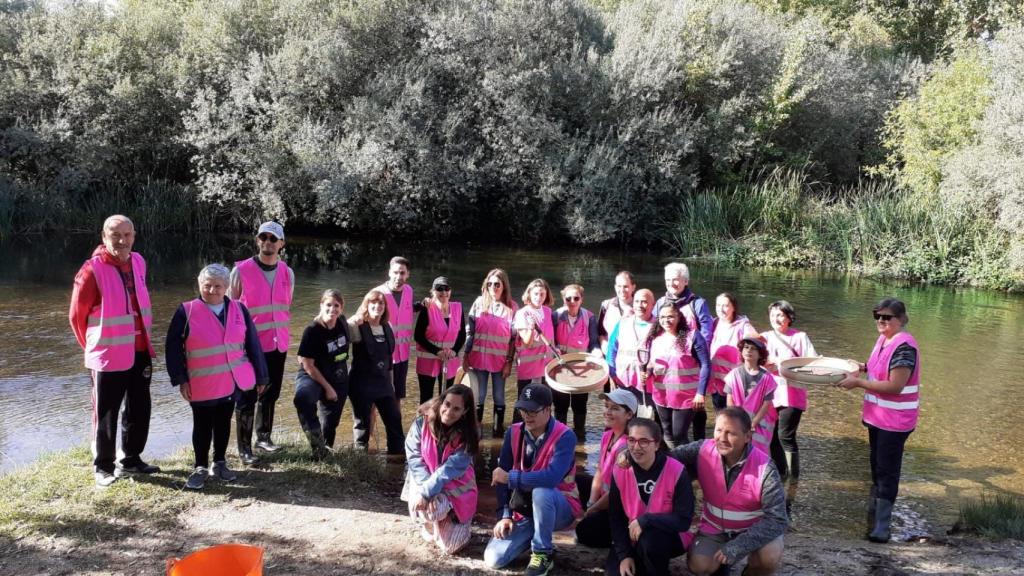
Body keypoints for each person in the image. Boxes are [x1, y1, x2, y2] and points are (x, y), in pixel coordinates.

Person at [69, 215, 160, 487]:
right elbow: (76, 316)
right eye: (115, 235)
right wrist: (93, 348)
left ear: (134, 236)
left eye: (127, 235)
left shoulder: (139, 261)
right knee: (106, 412)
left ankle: (131, 459)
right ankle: (103, 467)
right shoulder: (91, 270)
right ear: (103, 237)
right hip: (108, 355)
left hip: (140, 350)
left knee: (139, 408)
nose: (122, 240)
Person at [165, 264, 268, 490]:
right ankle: (200, 467)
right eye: (207, 285)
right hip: (201, 382)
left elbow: (253, 344)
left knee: (223, 422)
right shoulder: (186, 311)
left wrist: (261, 376)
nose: (212, 290)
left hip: (231, 381)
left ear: (227, 287)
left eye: (218, 286)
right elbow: (172, 348)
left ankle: (219, 462)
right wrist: (180, 379)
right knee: (202, 424)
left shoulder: (239, 310)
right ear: (200, 285)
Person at [837, 298, 920, 543]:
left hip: (895, 421)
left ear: (901, 319)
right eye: (878, 316)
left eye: (887, 317)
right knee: (876, 464)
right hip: (878, 417)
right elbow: (880, 368)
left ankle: (882, 527)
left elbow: (895, 386)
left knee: (887, 470)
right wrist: (862, 367)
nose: (881, 321)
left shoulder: (904, 347)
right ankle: (874, 513)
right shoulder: (884, 339)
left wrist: (858, 382)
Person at [667, 408, 787, 576]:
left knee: (769, 557)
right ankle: (721, 564)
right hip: (714, 527)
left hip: (752, 530)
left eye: (731, 433)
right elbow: (667, 457)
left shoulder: (765, 468)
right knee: (699, 566)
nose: (722, 438)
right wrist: (633, 455)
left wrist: (737, 547)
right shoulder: (702, 449)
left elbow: (777, 520)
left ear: (748, 436)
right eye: (719, 430)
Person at [485, 384, 582, 575]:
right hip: (526, 511)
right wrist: (505, 515)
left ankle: (542, 552)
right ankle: (536, 534)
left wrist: (511, 477)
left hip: (561, 507)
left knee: (542, 491)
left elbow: (551, 478)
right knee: (494, 559)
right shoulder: (513, 432)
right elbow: (500, 476)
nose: (527, 416)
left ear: (548, 409)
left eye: (533, 411)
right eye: (523, 410)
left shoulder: (565, 436)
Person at [229, 221, 294, 463]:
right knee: (247, 395)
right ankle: (244, 449)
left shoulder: (287, 272)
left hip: (278, 344)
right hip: (250, 346)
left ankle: (263, 437)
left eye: (273, 239)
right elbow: (230, 308)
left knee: (271, 393)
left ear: (281, 244)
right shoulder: (241, 271)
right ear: (258, 240)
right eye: (263, 237)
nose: (268, 242)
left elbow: (286, 305)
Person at [607, 418, 694, 576]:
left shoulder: (677, 470)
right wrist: (624, 555)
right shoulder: (620, 469)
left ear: (657, 444)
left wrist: (647, 520)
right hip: (633, 535)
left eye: (644, 441)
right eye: (631, 440)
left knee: (651, 540)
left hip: (668, 536)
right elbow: (616, 516)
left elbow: (684, 521)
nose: (636, 447)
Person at [402, 384, 480, 554]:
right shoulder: (421, 422)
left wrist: (426, 494)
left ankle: (455, 520)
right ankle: (432, 523)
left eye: (456, 409)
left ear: (465, 411)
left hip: (454, 490)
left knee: (450, 548)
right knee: (429, 512)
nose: (449, 412)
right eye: (447, 404)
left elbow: (448, 471)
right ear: (441, 402)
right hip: (425, 481)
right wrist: (426, 493)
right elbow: (414, 458)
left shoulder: (469, 435)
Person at [656, 262, 715, 441]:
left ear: (685, 281)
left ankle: (699, 444)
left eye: (676, 279)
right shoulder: (661, 303)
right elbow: (656, 330)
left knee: (697, 412)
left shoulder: (697, 303)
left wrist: (695, 351)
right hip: (670, 363)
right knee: (669, 425)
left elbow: (706, 331)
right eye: (668, 280)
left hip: (691, 357)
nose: (671, 283)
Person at [761, 300, 816, 479]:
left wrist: (782, 365)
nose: (775, 319)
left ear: (789, 317)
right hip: (769, 395)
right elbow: (749, 354)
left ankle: (793, 478)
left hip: (792, 394)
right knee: (771, 436)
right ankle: (780, 474)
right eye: (772, 315)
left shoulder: (800, 337)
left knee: (785, 436)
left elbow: (813, 362)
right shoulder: (765, 337)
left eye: (780, 315)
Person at [292, 289, 351, 459]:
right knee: (302, 399)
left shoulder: (342, 322)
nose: (332, 309)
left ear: (341, 308)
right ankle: (318, 448)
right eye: (328, 305)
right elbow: (307, 364)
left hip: (337, 375)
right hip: (313, 375)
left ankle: (325, 453)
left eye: (336, 305)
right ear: (321, 305)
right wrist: (328, 388)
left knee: (331, 423)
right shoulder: (312, 331)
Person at [575, 389, 637, 549]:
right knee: (574, 479)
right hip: (606, 496)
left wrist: (592, 509)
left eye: (615, 408)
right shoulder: (607, 435)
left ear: (629, 415)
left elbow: (617, 492)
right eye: (607, 406)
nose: (607, 412)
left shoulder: (627, 446)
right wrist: (591, 503)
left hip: (619, 505)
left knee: (584, 532)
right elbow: (600, 472)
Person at [643, 303, 710, 447]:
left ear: (679, 317)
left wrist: (700, 393)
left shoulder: (691, 336)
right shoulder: (656, 337)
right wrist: (647, 373)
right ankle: (673, 459)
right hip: (661, 395)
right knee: (667, 434)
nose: (666, 320)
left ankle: (689, 459)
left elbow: (705, 364)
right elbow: (652, 363)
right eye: (662, 317)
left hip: (685, 396)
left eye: (670, 317)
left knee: (679, 435)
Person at [347, 290, 405, 454]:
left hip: (384, 384)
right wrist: (352, 320)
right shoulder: (357, 327)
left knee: (394, 420)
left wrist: (391, 385)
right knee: (363, 425)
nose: (377, 306)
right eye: (373, 303)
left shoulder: (388, 327)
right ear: (366, 305)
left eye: (381, 303)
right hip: (361, 384)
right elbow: (338, 332)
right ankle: (361, 460)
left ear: (385, 307)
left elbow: (389, 360)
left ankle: (396, 460)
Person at [463, 268, 517, 438]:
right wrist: (465, 355)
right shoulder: (479, 303)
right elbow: (470, 332)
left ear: (504, 286)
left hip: (500, 362)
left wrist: (509, 362)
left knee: (499, 396)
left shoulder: (512, 307)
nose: (493, 287)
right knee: (478, 396)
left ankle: (497, 433)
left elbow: (514, 339)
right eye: (490, 284)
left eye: (497, 284)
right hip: (478, 359)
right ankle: (476, 432)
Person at [552, 283, 600, 437]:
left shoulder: (589, 317)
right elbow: (551, 341)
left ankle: (579, 437)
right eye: (568, 298)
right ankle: (560, 436)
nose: (572, 301)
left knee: (580, 405)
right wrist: (555, 350)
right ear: (563, 299)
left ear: (581, 299)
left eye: (576, 298)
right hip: (560, 367)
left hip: (582, 368)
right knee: (561, 405)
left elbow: (594, 343)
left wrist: (597, 352)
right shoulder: (556, 315)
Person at [374, 256, 419, 412]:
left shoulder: (409, 291)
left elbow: (406, 311)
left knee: (397, 395)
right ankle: (370, 427)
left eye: (402, 273)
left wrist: (421, 306)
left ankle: (396, 426)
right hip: (384, 355)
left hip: (403, 355)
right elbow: (364, 316)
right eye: (395, 272)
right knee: (377, 397)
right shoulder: (378, 293)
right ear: (389, 272)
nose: (398, 277)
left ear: (408, 274)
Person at [415, 276, 466, 404]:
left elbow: (462, 334)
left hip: (450, 360)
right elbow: (418, 336)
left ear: (450, 290)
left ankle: (442, 418)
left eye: (446, 288)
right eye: (439, 289)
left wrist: (455, 351)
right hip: (428, 361)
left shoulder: (458, 308)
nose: (444, 292)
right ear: (433, 291)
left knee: (448, 399)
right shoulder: (427, 308)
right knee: (426, 399)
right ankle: (425, 418)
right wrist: (436, 351)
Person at [512, 278, 556, 424]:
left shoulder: (548, 312)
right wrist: (531, 328)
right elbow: (527, 342)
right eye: (536, 294)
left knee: (544, 403)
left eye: (542, 294)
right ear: (529, 294)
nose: (539, 297)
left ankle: (543, 430)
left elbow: (550, 338)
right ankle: (517, 430)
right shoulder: (522, 313)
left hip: (546, 366)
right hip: (529, 368)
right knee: (524, 403)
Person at [724, 338, 777, 454]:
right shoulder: (734, 374)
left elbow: (766, 404)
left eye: (753, 349)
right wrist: (735, 419)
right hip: (738, 421)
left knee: (758, 453)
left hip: (759, 423)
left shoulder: (767, 378)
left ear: (760, 355)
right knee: (737, 451)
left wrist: (753, 423)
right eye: (746, 347)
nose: (749, 350)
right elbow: (730, 400)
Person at [709, 293, 759, 412]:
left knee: (736, 417)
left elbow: (757, 340)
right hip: (716, 381)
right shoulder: (714, 323)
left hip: (735, 383)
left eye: (725, 305)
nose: (721, 309)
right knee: (721, 417)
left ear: (734, 308)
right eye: (718, 305)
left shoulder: (742, 325)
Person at [606, 289, 656, 403]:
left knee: (645, 414)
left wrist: (650, 370)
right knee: (622, 412)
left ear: (653, 304)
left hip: (647, 384)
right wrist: (612, 374)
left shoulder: (659, 326)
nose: (639, 305)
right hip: (622, 380)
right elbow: (612, 349)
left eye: (644, 302)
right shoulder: (622, 323)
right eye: (637, 301)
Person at [598, 271, 636, 356]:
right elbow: (600, 332)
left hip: (631, 354)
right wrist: (603, 344)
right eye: (619, 286)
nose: (622, 290)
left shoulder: (639, 307)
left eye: (626, 286)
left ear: (633, 287)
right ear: (615, 287)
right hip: (610, 352)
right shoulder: (606, 305)